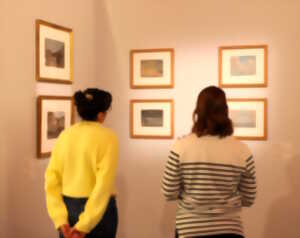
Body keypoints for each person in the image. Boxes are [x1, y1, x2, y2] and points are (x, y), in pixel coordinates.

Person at [162, 86, 256, 238]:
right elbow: (249, 198)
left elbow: (168, 192)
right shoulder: (242, 150)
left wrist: (192, 196)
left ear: (198, 112)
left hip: (190, 229)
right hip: (230, 229)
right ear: (226, 111)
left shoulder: (181, 147)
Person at [45, 88, 119, 238]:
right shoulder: (108, 138)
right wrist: (85, 225)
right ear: (100, 115)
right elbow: (103, 187)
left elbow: (51, 180)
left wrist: (60, 219)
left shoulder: (65, 135)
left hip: (68, 210)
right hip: (99, 213)